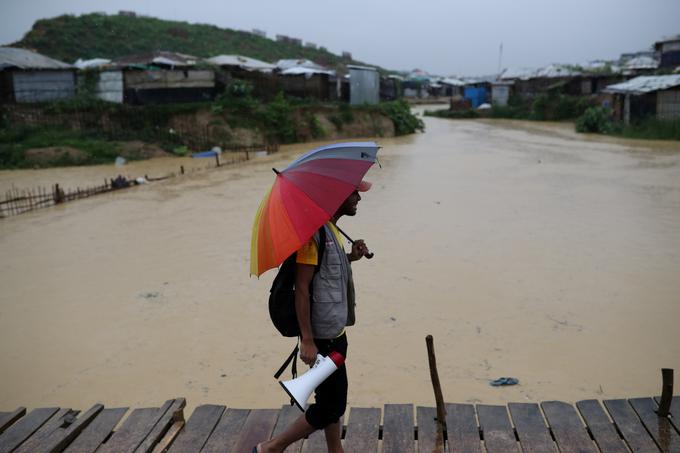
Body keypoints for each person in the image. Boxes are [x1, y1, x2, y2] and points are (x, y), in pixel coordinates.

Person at [255, 181, 372, 453]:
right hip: (322, 339)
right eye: (354, 193)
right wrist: (307, 340)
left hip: (336, 333)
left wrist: (351, 257)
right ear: (338, 195)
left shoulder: (330, 229)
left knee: (328, 396)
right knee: (332, 405)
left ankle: (335, 449)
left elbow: (325, 272)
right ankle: (272, 447)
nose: (358, 198)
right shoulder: (312, 236)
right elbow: (303, 288)